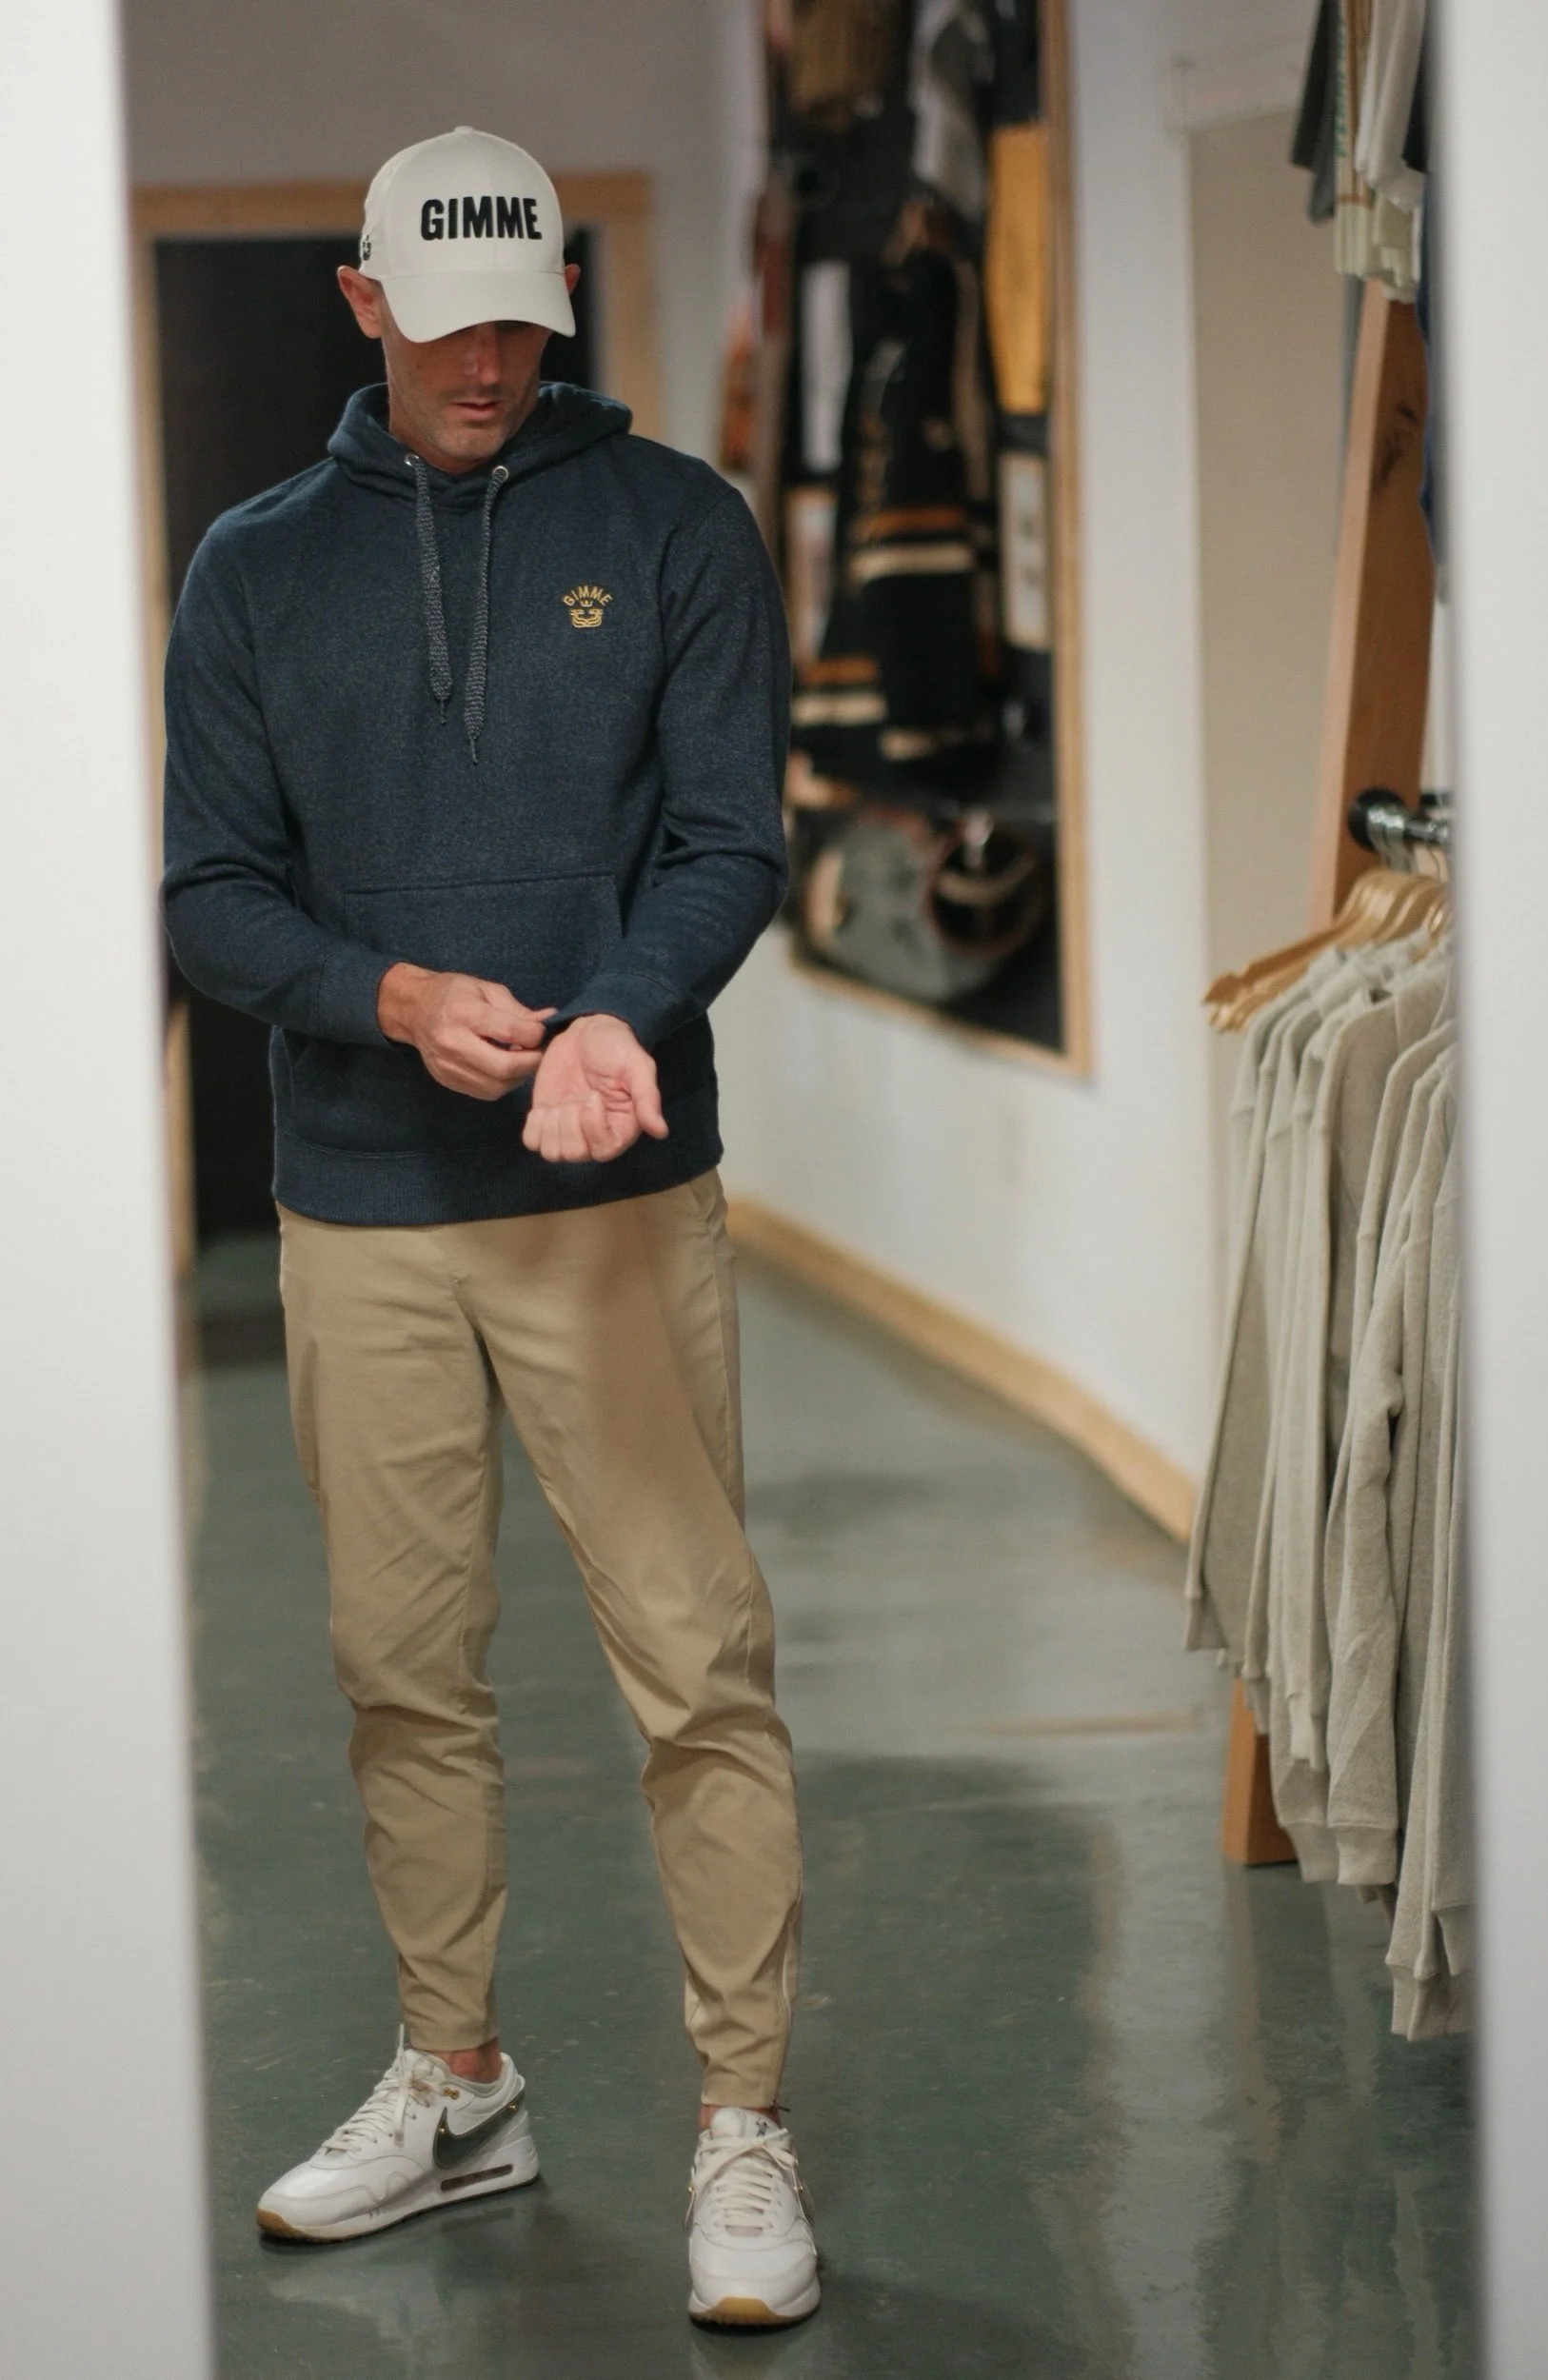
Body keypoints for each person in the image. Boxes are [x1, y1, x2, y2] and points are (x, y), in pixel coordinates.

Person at [163, 126, 817, 2331]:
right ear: (363, 302)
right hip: (361, 1207)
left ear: (557, 299)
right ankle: (457, 2079)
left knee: (696, 1660)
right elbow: (208, 894)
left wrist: (620, 1007)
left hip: (611, 1198)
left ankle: (744, 2117)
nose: (486, 364)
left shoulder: (673, 526)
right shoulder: (255, 569)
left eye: (520, 322)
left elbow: (729, 836)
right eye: (446, 326)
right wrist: (385, 997)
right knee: (400, 1669)